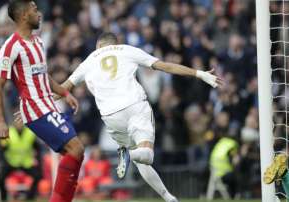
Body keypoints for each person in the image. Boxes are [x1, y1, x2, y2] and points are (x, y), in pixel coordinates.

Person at [60, 32, 222, 202]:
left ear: (98, 46)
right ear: (115, 43)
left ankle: (169, 198)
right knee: (146, 155)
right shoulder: (126, 49)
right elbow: (165, 66)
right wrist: (199, 73)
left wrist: (35, 99)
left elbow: (63, 88)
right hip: (134, 106)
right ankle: (130, 153)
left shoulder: (89, 60)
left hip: (111, 117)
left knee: (142, 161)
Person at [0, 1, 84, 202]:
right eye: (34, 9)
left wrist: (65, 93)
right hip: (35, 109)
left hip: (49, 105)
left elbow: (43, 76)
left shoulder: (38, 42)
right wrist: (0, 121)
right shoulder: (10, 46)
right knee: (76, 148)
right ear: (23, 15)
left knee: (76, 152)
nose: (39, 13)